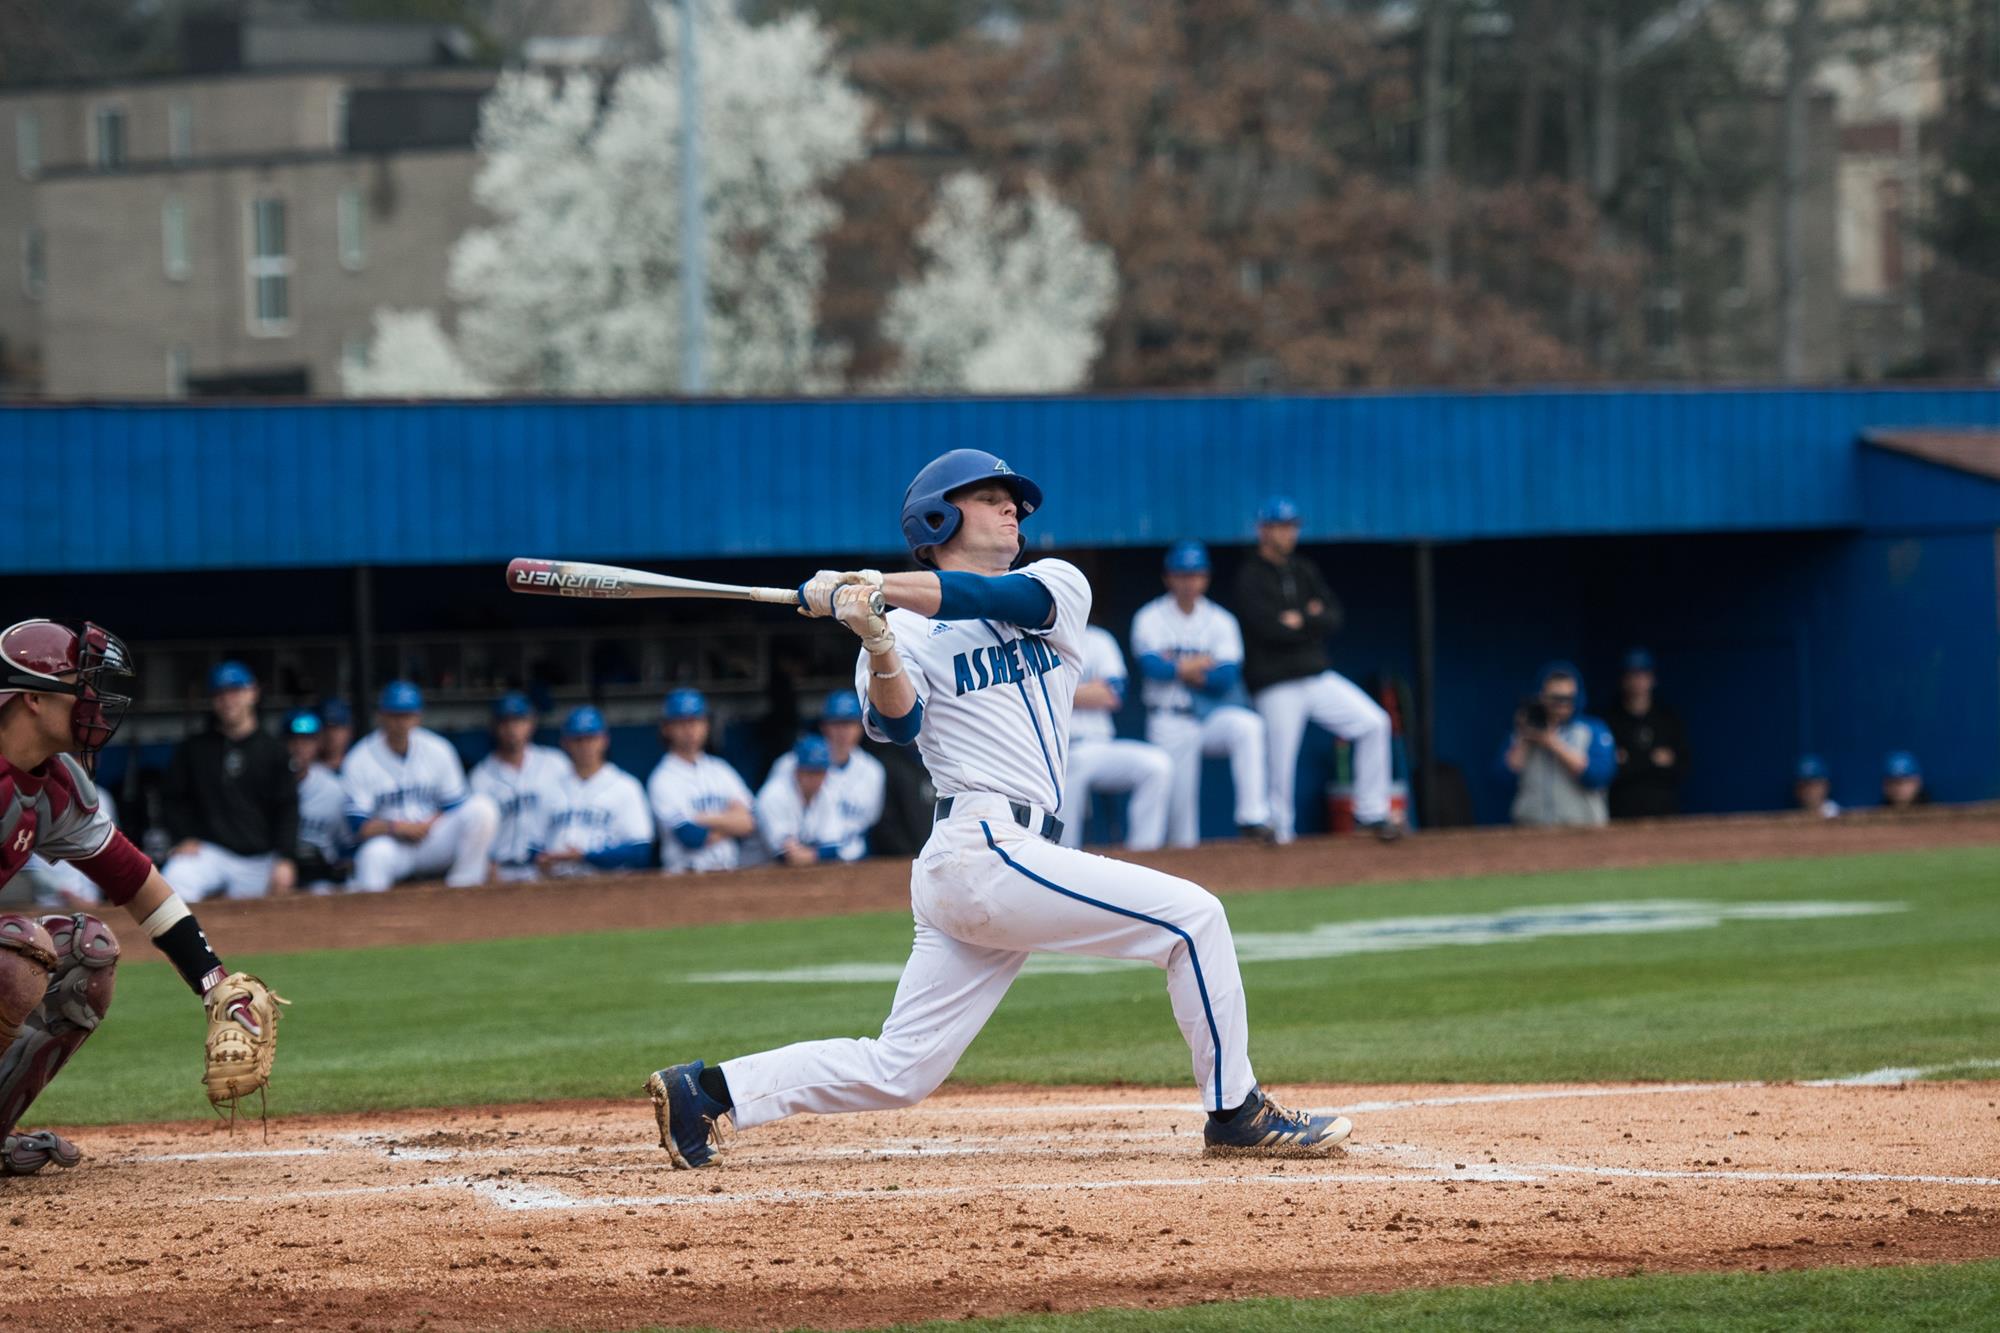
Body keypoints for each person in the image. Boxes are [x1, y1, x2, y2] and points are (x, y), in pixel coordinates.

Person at [644, 448, 1351, 1170]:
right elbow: (895, 726)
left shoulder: (1054, 584)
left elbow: (990, 601)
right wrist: (879, 641)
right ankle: (1236, 1111)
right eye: (990, 497)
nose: (1014, 508)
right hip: (981, 846)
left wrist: (875, 584)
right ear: (939, 516)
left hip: (1003, 856)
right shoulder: (903, 630)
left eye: (1013, 499)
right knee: (1194, 917)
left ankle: (707, 1091)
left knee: (902, 1068)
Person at [0, 619, 276, 1175]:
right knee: (16, 955)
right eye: (81, 687)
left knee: (87, 951)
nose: (94, 704)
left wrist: (216, 987)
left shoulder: (52, 785)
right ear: (31, 697)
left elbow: (137, 884)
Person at [1233, 496, 1398, 843]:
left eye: (1291, 526)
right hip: (1276, 683)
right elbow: (1268, 629)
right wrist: (1309, 619)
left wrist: (1302, 620)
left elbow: (1334, 616)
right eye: (1280, 526)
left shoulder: (1304, 569)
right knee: (1281, 765)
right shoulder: (1250, 577)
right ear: (1263, 530)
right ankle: (1280, 836)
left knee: (1374, 723)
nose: (1288, 533)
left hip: (1316, 676)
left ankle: (1371, 811)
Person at [1129, 541, 1274, 847]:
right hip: (1170, 720)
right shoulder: (1149, 617)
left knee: (1248, 726)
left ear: (1205, 577)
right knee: (1181, 823)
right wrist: (1198, 664)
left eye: (1195, 574)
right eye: (1182, 574)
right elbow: (1153, 668)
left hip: (1211, 717)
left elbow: (1227, 675)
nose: (1189, 581)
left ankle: (1253, 816)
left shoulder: (1221, 620)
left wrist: (1178, 666)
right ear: (1169, 577)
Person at [341, 680, 500, 892]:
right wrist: (398, 827)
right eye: (394, 715)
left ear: (418, 717)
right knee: (372, 856)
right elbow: (358, 827)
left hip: (432, 837)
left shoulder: (438, 749)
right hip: (392, 843)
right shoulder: (359, 759)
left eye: (406, 715)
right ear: (381, 716)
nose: (400, 722)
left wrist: (429, 822)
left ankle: (464, 888)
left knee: (482, 808)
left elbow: (454, 806)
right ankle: (374, 919)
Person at [159, 661, 299, 900]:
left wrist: (287, 858)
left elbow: (287, 807)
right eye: (220, 693)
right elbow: (174, 799)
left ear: (253, 692)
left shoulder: (274, 749)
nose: (228, 700)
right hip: (213, 853)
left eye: (235, 691)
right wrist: (183, 836)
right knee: (177, 874)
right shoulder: (194, 748)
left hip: (261, 858)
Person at [1057, 624, 1171, 852]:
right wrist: (1090, 691)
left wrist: (1060, 691)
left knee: (1157, 765)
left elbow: (1113, 694)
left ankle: (1144, 856)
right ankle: (1063, 856)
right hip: (1056, 751)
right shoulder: (1032, 640)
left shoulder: (1098, 639)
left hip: (1098, 745)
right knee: (1072, 768)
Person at [760, 692, 887, 862]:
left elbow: (870, 821)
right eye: (837, 724)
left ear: (861, 726)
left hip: (852, 859)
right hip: (798, 856)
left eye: (849, 723)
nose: (843, 731)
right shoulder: (789, 764)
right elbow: (773, 814)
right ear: (824, 726)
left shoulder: (873, 771)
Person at [646, 689, 757, 874]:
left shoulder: (720, 769)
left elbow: (749, 823)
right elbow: (691, 837)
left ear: (706, 725)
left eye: (696, 721)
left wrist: (703, 818)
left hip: (728, 872)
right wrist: (730, 822)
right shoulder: (662, 779)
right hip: (685, 876)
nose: (690, 730)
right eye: (682, 723)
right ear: (666, 728)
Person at [538, 706, 654, 877]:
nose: (585, 746)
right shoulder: (549, 788)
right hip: (558, 886)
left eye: (591, 738)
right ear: (565, 743)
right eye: (578, 739)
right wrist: (541, 859)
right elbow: (533, 846)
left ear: (604, 740)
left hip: (608, 884)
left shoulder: (626, 786)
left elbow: (640, 850)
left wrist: (586, 856)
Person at [470, 692, 570, 882]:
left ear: (532, 723)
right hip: (502, 871)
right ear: (495, 726)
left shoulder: (556, 764)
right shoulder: (480, 776)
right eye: (505, 722)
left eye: (519, 721)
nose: (512, 728)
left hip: (550, 869)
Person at [1502, 662, 1617, 827]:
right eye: (1555, 698)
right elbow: (1504, 777)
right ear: (1541, 697)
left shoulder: (1592, 729)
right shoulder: (1526, 730)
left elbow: (1598, 776)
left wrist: (1552, 743)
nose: (1561, 704)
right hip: (1533, 829)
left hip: (1582, 828)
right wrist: (1525, 737)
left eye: (1567, 698)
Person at [1605, 648, 1690, 819]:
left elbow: (1682, 766)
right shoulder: (1610, 720)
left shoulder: (1667, 719)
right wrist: (1653, 760)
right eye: (1632, 675)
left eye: (1643, 674)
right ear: (1623, 679)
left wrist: (1630, 760)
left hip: (1663, 812)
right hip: (1621, 813)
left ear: (1652, 679)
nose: (1638, 681)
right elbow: (1609, 772)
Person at [756, 736, 850, 866]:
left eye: (820, 772)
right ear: (797, 771)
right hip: (750, 871)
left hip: (793, 875)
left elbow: (834, 847)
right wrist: (817, 854)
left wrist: (809, 855)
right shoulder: (774, 795)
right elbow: (786, 856)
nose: (815, 779)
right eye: (810, 772)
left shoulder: (826, 793)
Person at [286, 710, 350, 891]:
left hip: (321, 874)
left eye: (307, 740)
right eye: (294, 740)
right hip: (281, 869)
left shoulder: (334, 789)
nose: (299, 747)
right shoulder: (268, 785)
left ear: (318, 744)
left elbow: (346, 843)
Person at [1794, 754, 1839, 819]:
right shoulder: (1796, 817)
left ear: (1825, 786)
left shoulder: (1836, 814)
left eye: (1814, 784)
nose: (1808, 790)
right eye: (1803, 786)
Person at [318, 697, 355, 772]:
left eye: (337, 728)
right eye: (326, 728)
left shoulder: (361, 763)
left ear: (349, 730)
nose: (330, 735)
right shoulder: (306, 769)